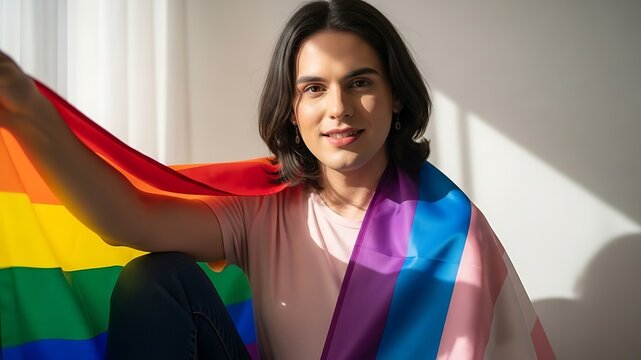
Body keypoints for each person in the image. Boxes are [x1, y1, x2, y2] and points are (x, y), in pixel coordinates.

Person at [0, 0, 555, 359]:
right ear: (292, 109)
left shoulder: (452, 235)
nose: (338, 108)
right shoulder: (265, 212)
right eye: (314, 88)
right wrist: (29, 113)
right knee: (155, 278)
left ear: (395, 97)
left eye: (360, 82)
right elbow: (126, 221)